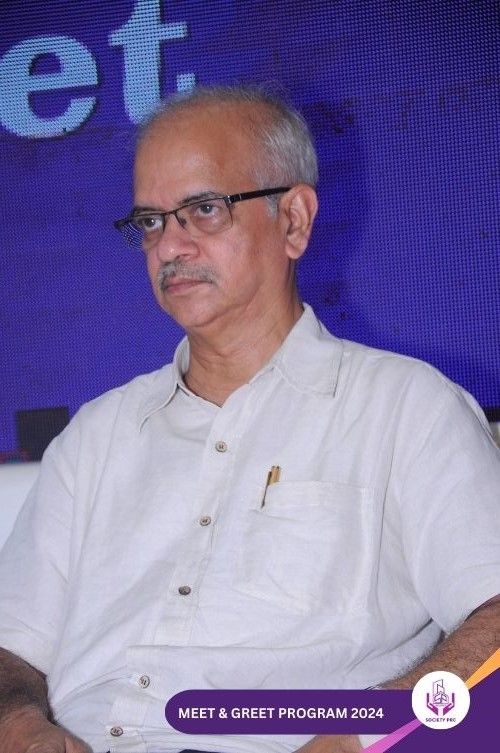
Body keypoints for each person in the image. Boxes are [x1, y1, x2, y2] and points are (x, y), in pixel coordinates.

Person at [0, 85, 499, 753]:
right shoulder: (95, 438)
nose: (169, 247)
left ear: (293, 220)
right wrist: (19, 726)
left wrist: (363, 734)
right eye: (151, 221)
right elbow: (12, 649)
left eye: (203, 210)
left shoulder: (406, 409)